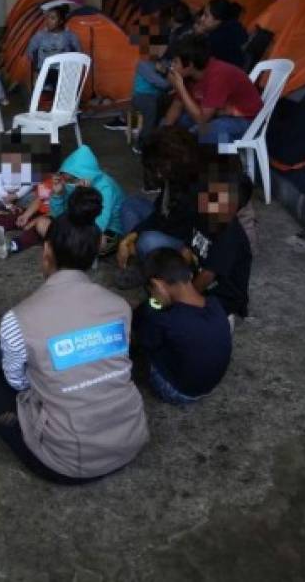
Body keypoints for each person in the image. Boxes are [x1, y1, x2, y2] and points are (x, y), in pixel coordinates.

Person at [0, 188, 149, 484]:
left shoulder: (18, 319)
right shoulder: (120, 306)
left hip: (68, 463)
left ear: (46, 253)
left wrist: (54, 374)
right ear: (96, 250)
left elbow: (17, 383)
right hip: (131, 440)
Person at [132, 248, 232, 405]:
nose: (152, 295)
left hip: (181, 392)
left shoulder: (167, 320)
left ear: (157, 285)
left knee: (146, 320)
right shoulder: (215, 303)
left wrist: (148, 312)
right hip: (209, 384)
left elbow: (146, 341)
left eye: (150, 290)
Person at [115, 126, 200, 288]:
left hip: (185, 240)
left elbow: (193, 231)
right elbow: (158, 214)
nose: (158, 175)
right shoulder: (172, 175)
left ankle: (144, 266)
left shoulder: (196, 185)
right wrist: (129, 238)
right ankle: (141, 259)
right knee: (130, 204)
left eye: (159, 168)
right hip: (167, 225)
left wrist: (139, 235)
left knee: (148, 241)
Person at [103, 3, 194, 148]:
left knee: (141, 119)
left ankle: (133, 136)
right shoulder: (144, 64)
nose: (162, 49)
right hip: (145, 98)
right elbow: (162, 84)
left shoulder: (156, 61)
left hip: (146, 97)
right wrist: (174, 80)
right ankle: (141, 145)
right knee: (148, 123)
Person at [185, 154, 254, 325]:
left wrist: (184, 297)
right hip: (201, 284)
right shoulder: (203, 215)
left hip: (223, 297)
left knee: (182, 321)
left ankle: (223, 320)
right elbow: (186, 250)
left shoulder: (230, 235)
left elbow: (208, 275)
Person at [163, 34, 263, 145]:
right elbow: (176, 106)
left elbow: (201, 120)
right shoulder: (189, 75)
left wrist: (180, 87)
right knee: (180, 122)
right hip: (217, 115)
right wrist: (162, 136)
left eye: (175, 62)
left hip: (247, 121)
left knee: (210, 131)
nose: (172, 66)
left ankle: (226, 159)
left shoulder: (218, 75)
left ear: (189, 65)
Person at [50, 145, 124, 255]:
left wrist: (84, 195)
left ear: (84, 175)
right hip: (80, 223)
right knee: (45, 224)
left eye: (70, 179)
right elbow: (60, 217)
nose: (66, 183)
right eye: (63, 178)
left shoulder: (105, 188)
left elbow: (100, 224)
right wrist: (57, 195)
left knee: (99, 243)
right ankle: (73, 246)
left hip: (107, 228)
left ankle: (71, 246)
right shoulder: (68, 184)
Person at [26, 5, 82, 86]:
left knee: (66, 79)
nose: (48, 21)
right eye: (47, 17)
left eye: (52, 18)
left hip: (63, 72)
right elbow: (29, 52)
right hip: (44, 71)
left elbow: (79, 53)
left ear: (61, 21)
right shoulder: (40, 35)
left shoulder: (69, 36)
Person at [195, 0, 249, 69]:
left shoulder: (215, 40)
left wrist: (197, 36)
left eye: (206, 15)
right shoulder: (233, 26)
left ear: (218, 20)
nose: (202, 19)